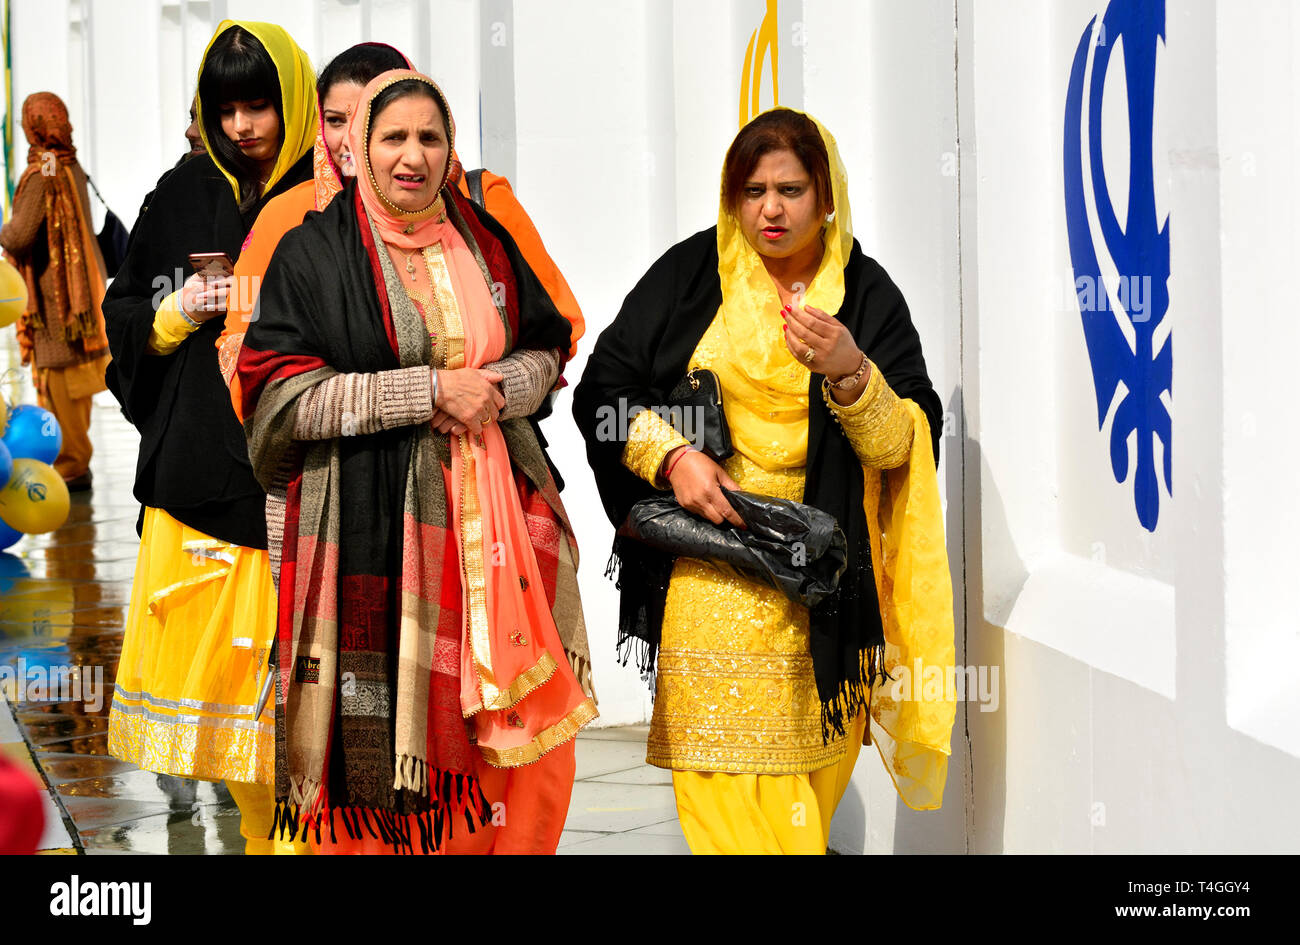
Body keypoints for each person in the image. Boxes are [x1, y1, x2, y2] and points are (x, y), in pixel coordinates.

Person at [573, 107, 956, 854]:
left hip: (822, 595)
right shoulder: (691, 276)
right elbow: (601, 397)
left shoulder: (866, 296)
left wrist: (850, 372)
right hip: (712, 575)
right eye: (752, 191)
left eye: (791, 189)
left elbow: (903, 446)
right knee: (727, 801)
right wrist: (673, 457)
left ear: (827, 196)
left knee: (799, 808)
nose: (770, 209)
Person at [238, 69, 596, 855]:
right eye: (393, 137)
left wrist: (492, 391)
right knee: (393, 766)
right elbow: (281, 402)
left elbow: (547, 349)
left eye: (430, 137)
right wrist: (426, 391)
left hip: (500, 529)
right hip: (372, 538)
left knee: (525, 751)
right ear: (358, 147)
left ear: (451, 148)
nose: (413, 156)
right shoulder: (311, 254)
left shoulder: (484, 241)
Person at [102, 20, 317, 855]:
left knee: (298, 708)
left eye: (259, 106)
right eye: (225, 109)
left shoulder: (327, 199)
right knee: (228, 714)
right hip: (197, 484)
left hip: (296, 475)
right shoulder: (183, 192)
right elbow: (125, 318)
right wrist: (173, 312)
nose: (241, 128)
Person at [0, 92, 110, 491]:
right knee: (74, 391)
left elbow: (21, 235)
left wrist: (3, 230)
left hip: (55, 306)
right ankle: (76, 462)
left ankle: (69, 467)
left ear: (34, 126)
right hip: (78, 300)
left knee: (59, 386)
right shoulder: (69, 162)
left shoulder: (45, 167)